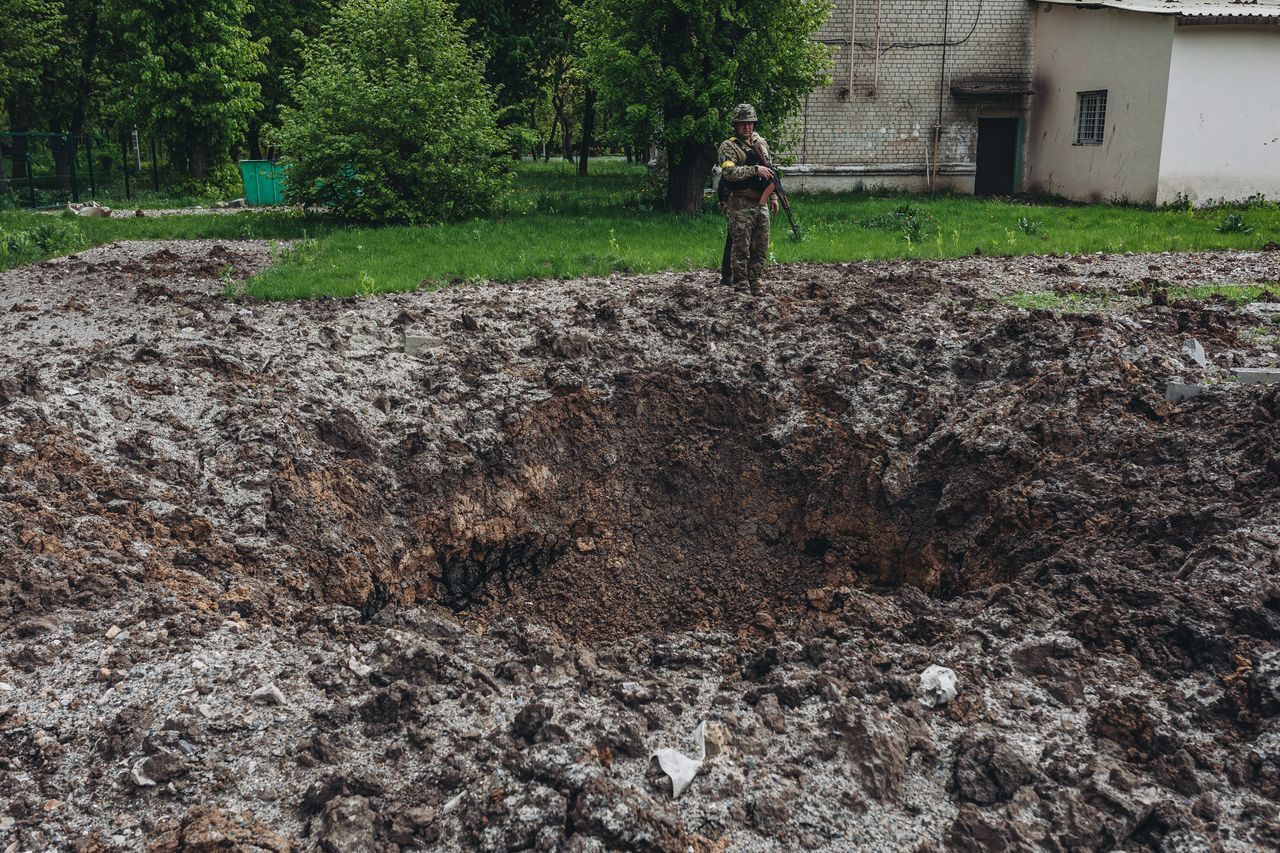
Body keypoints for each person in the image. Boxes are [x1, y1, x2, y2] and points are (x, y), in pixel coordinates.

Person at [716, 103, 780, 295]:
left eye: (750, 123)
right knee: (741, 247)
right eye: (743, 124)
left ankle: (756, 282)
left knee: (760, 247)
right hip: (740, 203)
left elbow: (769, 172)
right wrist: (754, 169)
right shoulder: (729, 147)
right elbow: (729, 173)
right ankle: (740, 284)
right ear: (736, 125)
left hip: (761, 202)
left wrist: (774, 196)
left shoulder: (761, 144)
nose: (747, 128)